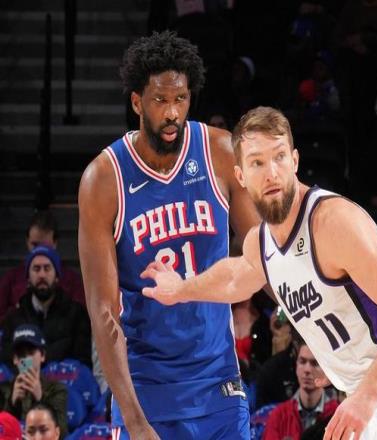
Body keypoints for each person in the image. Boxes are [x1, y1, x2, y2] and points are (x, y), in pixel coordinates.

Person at [140, 106, 377, 439]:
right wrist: (180, 289)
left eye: (279, 157)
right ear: (240, 176)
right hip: (366, 407)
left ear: (294, 161)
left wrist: (366, 395)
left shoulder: (332, 223)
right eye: (257, 163)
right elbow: (236, 277)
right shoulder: (261, 245)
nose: (271, 173)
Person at [78, 30, 261, 440]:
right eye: (160, 100)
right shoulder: (103, 180)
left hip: (218, 380)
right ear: (137, 102)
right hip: (146, 386)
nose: (172, 112)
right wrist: (134, 421)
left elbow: (267, 255)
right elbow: (103, 311)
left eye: (180, 98)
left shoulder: (220, 153)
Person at [0, 246, 91, 368]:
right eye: (36, 269)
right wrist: (28, 375)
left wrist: (50, 377)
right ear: (28, 277)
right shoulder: (13, 318)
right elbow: (7, 363)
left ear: (57, 276)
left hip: (63, 380)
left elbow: (83, 364)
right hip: (24, 378)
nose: (42, 275)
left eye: (47, 268)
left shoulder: (76, 315)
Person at [0, 210, 85, 321]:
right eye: (35, 244)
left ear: (55, 243)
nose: (40, 250)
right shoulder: (11, 279)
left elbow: (81, 320)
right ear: (27, 241)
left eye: (45, 245)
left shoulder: (72, 281)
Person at [263, 338, 339, 440]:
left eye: (315, 363)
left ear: (326, 369)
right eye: (302, 362)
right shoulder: (279, 415)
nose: (307, 370)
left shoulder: (337, 416)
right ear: (296, 366)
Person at [0, 324, 67, 438]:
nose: (26, 359)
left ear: (43, 355)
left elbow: (61, 432)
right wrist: (12, 404)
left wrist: (40, 399)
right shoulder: (3, 390)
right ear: (15, 359)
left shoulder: (57, 390)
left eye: (31, 352)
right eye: (21, 354)